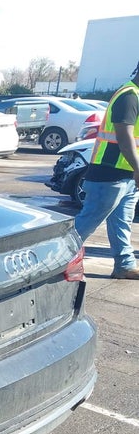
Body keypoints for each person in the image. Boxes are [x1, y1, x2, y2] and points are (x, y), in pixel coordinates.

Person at [73, 62, 139, 280]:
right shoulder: (129, 96)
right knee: (86, 223)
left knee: (122, 223)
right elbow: (124, 136)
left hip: (126, 175)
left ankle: (125, 265)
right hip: (109, 174)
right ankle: (50, 261)